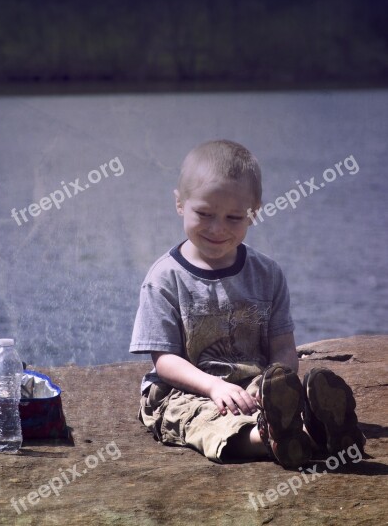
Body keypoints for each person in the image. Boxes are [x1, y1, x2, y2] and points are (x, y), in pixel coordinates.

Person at [129, 140, 365, 468]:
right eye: (204, 214)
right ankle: (276, 439)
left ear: (254, 213)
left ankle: (311, 427)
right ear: (180, 203)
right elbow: (165, 360)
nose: (217, 228)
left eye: (234, 217)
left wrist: (268, 378)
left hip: (257, 390)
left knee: (286, 396)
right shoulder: (165, 278)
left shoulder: (267, 274)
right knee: (204, 420)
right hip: (187, 390)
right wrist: (212, 386)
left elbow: (284, 347)